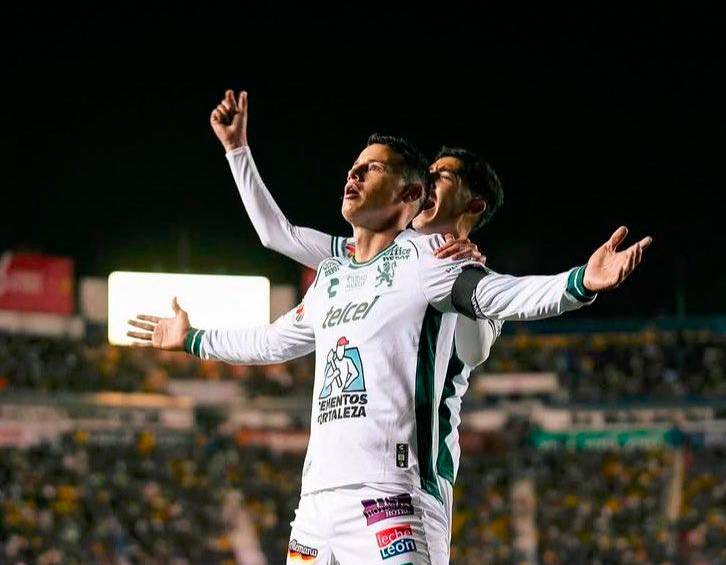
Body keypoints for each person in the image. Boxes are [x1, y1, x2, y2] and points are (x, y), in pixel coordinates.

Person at [129, 132, 651, 564]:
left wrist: (580, 281)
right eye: (355, 167)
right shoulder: (338, 269)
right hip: (316, 504)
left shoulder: (438, 264)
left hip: (394, 494)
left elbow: (499, 297)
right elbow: (276, 329)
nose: (353, 176)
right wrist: (195, 338)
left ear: (421, 197)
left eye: (372, 170)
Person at [210, 92, 505, 535]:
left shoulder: (473, 275)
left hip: (422, 472)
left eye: (439, 176)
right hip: (357, 476)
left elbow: (474, 351)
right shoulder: (363, 258)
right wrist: (237, 151)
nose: (425, 181)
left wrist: (470, 278)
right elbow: (278, 235)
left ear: (473, 205)